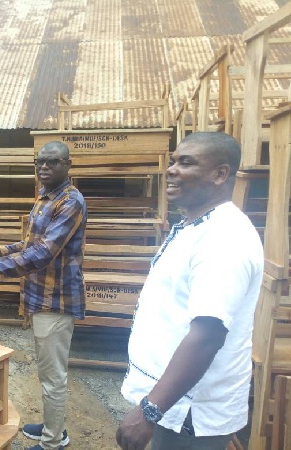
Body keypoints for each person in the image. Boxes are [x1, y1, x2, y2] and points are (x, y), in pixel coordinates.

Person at [116, 132, 264, 450]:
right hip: (175, 404)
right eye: (173, 161)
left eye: (186, 162)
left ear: (220, 174)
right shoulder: (198, 225)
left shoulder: (225, 238)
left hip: (188, 411)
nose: (171, 169)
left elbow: (207, 335)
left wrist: (149, 410)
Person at [0, 141, 87, 450]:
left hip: (57, 301)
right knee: (47, 370)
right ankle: (52, 426)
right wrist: (0, 250)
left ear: (68, 164)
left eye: (52, 162)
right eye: (39, 161)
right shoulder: (45, 198)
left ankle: (53, 442)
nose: (43, 167)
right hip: (41, 297)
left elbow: (42, 254)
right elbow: (31, 242)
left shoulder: (71, 202)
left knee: (53, 376)